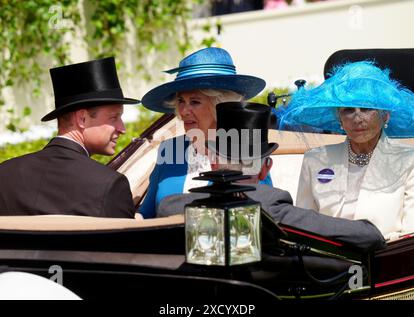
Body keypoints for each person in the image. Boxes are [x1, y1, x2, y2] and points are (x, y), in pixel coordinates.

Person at [157, 102, 386, 252]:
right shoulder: (272, 208)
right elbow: (369, 236)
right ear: (266, 168)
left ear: (214, 161)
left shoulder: (172, 208)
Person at [278, 61, 414, 241]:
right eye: (348, 110)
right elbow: (303, 228)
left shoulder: (408, 161)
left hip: (387, 261)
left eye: (366, 108)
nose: (357, 118)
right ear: (339, 119)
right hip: (329, 263)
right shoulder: (315, 160)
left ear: (385, 115)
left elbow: (409, 234)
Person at [0, 57, 139, 218]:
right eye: (114, 118)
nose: (122, 129)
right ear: (82, 119)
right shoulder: (110, 185)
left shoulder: (5, 174)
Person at [139, 47, 267, 218]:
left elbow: (265, 210)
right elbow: (146, 214)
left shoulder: (246, 149)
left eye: (195, 102)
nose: (184, 111)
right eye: (181, 101)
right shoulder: (169, 149)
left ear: (219, 105)